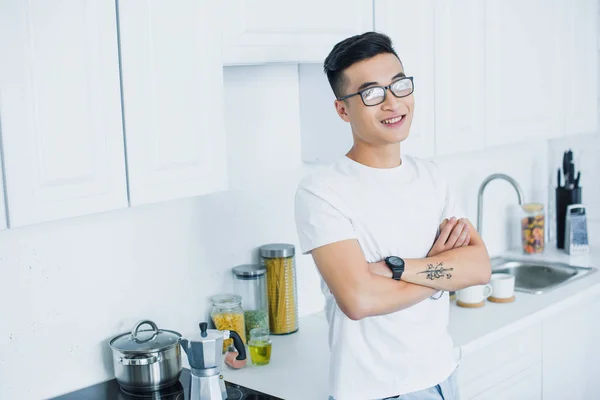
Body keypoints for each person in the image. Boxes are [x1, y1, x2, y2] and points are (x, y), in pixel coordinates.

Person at [294, 32, 492, 400]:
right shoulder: (322, 190)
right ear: (342, 109)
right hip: (377, 392)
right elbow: (359, 300)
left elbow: (478, 268)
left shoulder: (431, 176)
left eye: (399, 85)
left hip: (443, 377)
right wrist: (441, 270)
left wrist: (395, 268)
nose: (392, 103)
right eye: (371, 93)